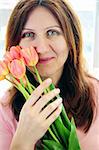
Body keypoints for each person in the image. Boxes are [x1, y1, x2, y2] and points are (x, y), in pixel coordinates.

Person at [0, 0, 99, 149]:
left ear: (71, 39)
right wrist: (22, 140)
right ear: (15, 44)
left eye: (52, 32)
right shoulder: (5, 110)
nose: (41, 48)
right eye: (29, 34)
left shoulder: (96, 94)